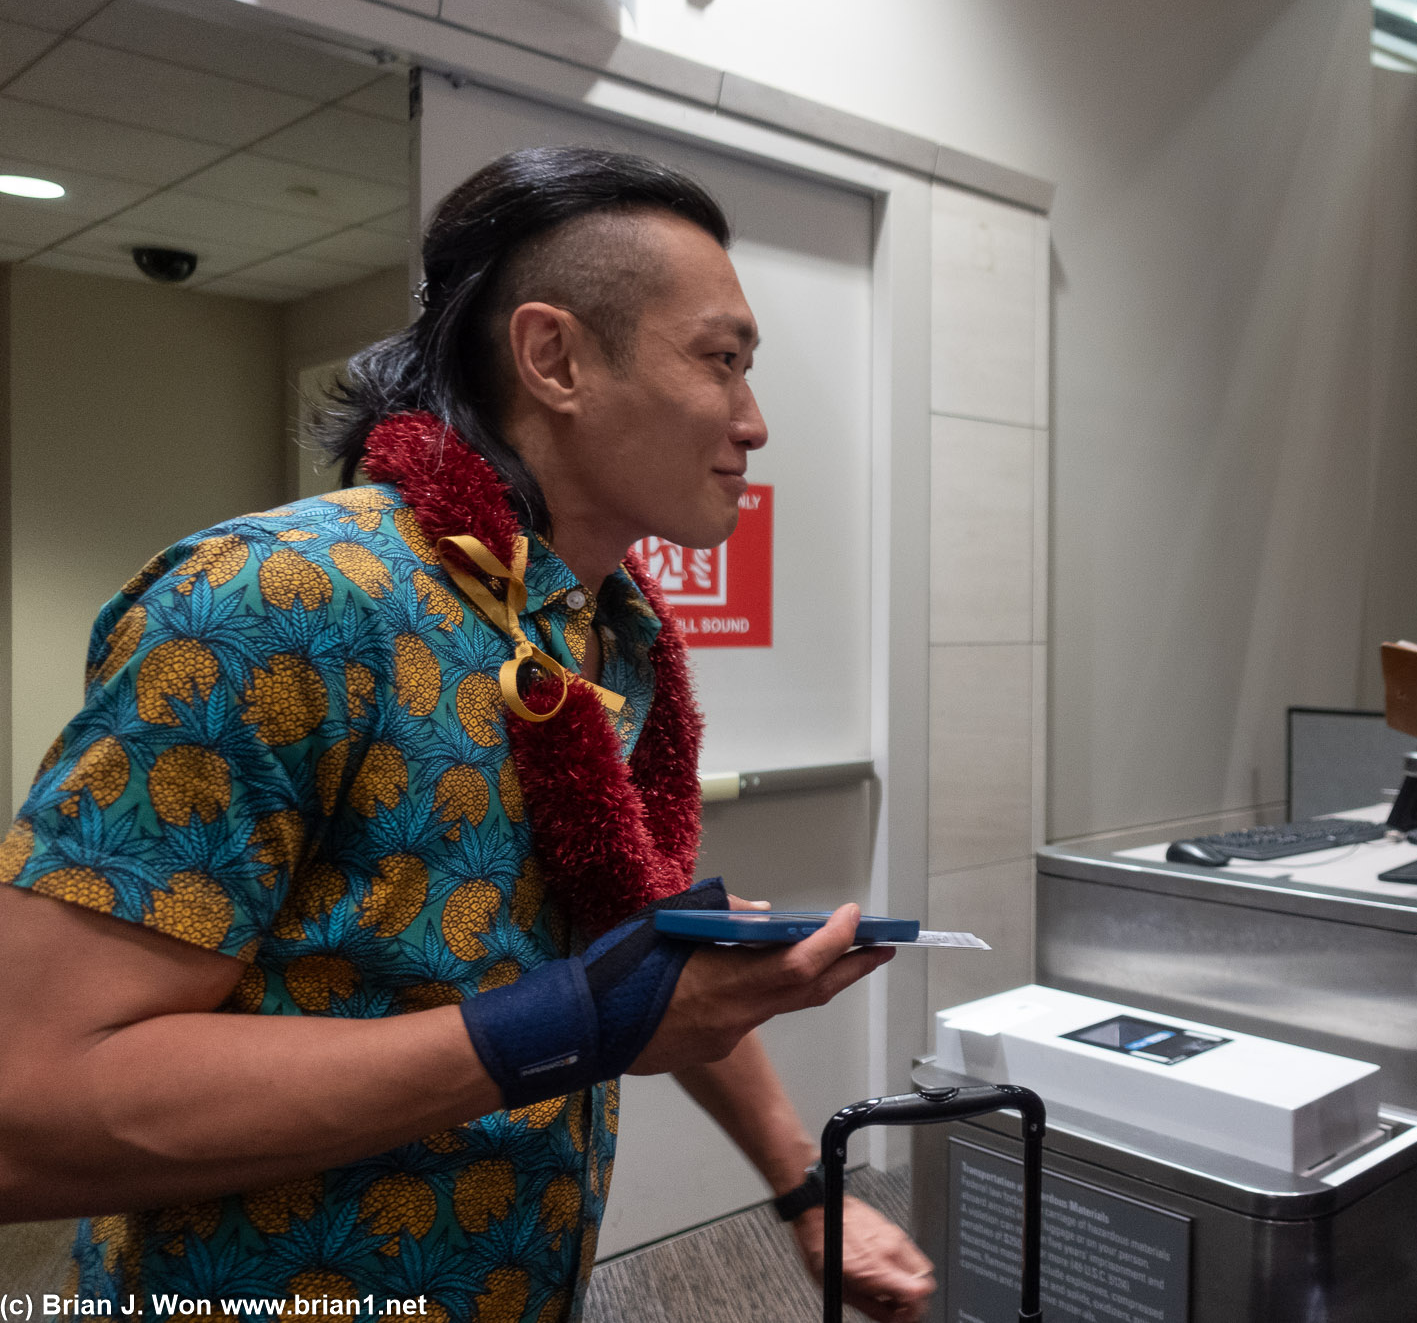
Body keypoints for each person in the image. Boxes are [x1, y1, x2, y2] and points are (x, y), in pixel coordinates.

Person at [0, 147, 933, 1322]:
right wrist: (564, 1026)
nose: (753, 422)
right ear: (555, 358)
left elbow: (628, 957)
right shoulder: (272, 601)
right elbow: (26, 1110)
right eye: (721, 362)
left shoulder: (611, 635)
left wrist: (805, 1185)